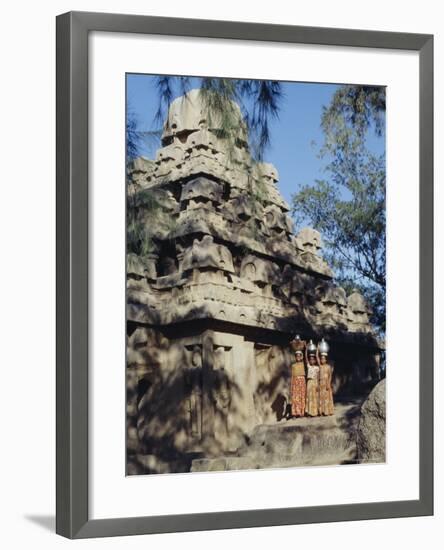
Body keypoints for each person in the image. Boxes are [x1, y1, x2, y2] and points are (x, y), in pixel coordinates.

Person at [289, 336, 306, 417]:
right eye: (297, 356)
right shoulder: (293, 365)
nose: (298, 357)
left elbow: (306, 357)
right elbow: (292, 376)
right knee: (295, 397)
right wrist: (292, 385)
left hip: (302, 381)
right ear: (295, 357)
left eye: (299, 356)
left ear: (301, 356)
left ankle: (302, 412)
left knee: (302, 396)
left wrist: (305, 347)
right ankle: (295, 413)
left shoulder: (304, 364)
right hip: (295, 381)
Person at [318, 339, 335, 416]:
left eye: (323, 359)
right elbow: (317, 357)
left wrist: (328, 383)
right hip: (321, 383)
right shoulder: (320, 366)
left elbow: (330, 375)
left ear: (326, 359)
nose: (322, 360)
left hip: (326, 383)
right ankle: (321, 411)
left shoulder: (328, 367)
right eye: (321, 359)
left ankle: (327, 411)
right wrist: (317, 349)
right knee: (321, 398)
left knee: (327, 398)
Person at [305, 340, 320, 417]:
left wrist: (317, 350)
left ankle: (315, 412)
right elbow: (306, 358)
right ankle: (309, 412)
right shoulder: (309, 366)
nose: (311, 360)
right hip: (309, 382)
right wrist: (306, 349)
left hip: (315, 382)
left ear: (315, 360)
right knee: (309, 397)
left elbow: (317, 377)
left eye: (313, 359)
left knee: (314, 397)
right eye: (310, 359)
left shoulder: (317, 368)